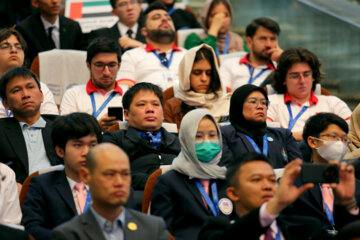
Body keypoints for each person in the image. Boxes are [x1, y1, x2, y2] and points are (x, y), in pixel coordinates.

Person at [51, 143, 170, 240]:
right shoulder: (68, 234)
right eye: (109, 174)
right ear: (86, 176)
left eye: (125, 174)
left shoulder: (153, 227)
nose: (119, 182)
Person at [151, 109, 235, 240]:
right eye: (198, 136)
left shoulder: (228, 179)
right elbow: (161, 231)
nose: (207, 142)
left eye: (212, 135)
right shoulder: (168, 182)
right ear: (185, 139)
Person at [199, 152, 324, 240]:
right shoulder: (216, 229)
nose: (268, 186)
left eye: (272, 180)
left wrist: (344, 204)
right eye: (256, 179)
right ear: (233, 193)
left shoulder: (308, 227)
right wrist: (272, 208)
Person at [21, 113, 102, 240]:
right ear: (60, 151)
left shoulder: (113, 183)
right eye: (77, 145)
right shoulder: (42, 185)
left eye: (92, 145)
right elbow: (32, 227)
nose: (86, 152)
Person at [290, 113, 360, 234]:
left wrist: (350, 205)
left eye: (344, 139)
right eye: (333, 136)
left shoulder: (356, 185)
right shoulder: (293, 183)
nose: (340, 143)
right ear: (312, 142)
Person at [103, 82, 180, 190]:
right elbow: (114, 174)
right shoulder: (114, 139)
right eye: (142, 104)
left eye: (155, 104)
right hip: (137, 197)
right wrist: (157, 183)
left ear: (162, 113)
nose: (150, 109)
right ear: (126, 114)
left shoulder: (179, 139)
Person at [267, 48, 351, 141]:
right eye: (295, 76)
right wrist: (321, 136)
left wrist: (284, 134)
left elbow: (352, 133)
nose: (302, 81)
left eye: (306, 74)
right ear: (283, 79)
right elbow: (266, 133)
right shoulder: (271, 102)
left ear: (313, 76)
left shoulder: (333, 103)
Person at [0, 67, 61, 183]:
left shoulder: (62, 127)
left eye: (30, 87)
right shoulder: (1, 131)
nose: (26, 94)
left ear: (41, 95)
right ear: (6, 103)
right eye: (16, 90)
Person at [220, 84, 302, 168]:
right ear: (238, 105)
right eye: (253, 101)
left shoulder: (283, 135)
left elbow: (298, 169)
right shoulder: (224, 134)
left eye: (264, 103)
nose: (260, 106)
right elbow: (226, 170)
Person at [60, 37, 127, 132]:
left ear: (119, 66)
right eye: (100, 65)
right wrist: (95, 128)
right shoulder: (72, 94)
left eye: (112, 65)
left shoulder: (129, 94)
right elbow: (64, 132)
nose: (106, 72)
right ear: (88, 65)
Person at [117, 1, 186, 90]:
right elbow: (124, 90)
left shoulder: (188, 55)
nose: (165, 19)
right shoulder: (131, 56)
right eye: (156, 18)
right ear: (144, 31)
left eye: (168, 18)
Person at [164, 44, 230, 129]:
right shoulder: (172, 105)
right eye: (197, 73)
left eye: (209, 73)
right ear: (186, 74)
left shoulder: (227, 101)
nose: (204, 79)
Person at [0, 28, 58, 118]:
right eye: (5, 46)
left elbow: (51, 121)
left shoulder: (40, 87)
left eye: (18, 47)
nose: (14, 50)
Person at [220, 17, 282, 91]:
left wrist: (283, 59)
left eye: (272, 39)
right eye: (263, 39)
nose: (268, 44)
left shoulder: (280, 70)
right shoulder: (230, 64)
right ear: (249, 42)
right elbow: (222, 95)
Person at [15, 0, 84, 64]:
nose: (54, 1)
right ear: (35, 3)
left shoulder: (73, 27)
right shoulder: (25, 30)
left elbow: (81, 58)